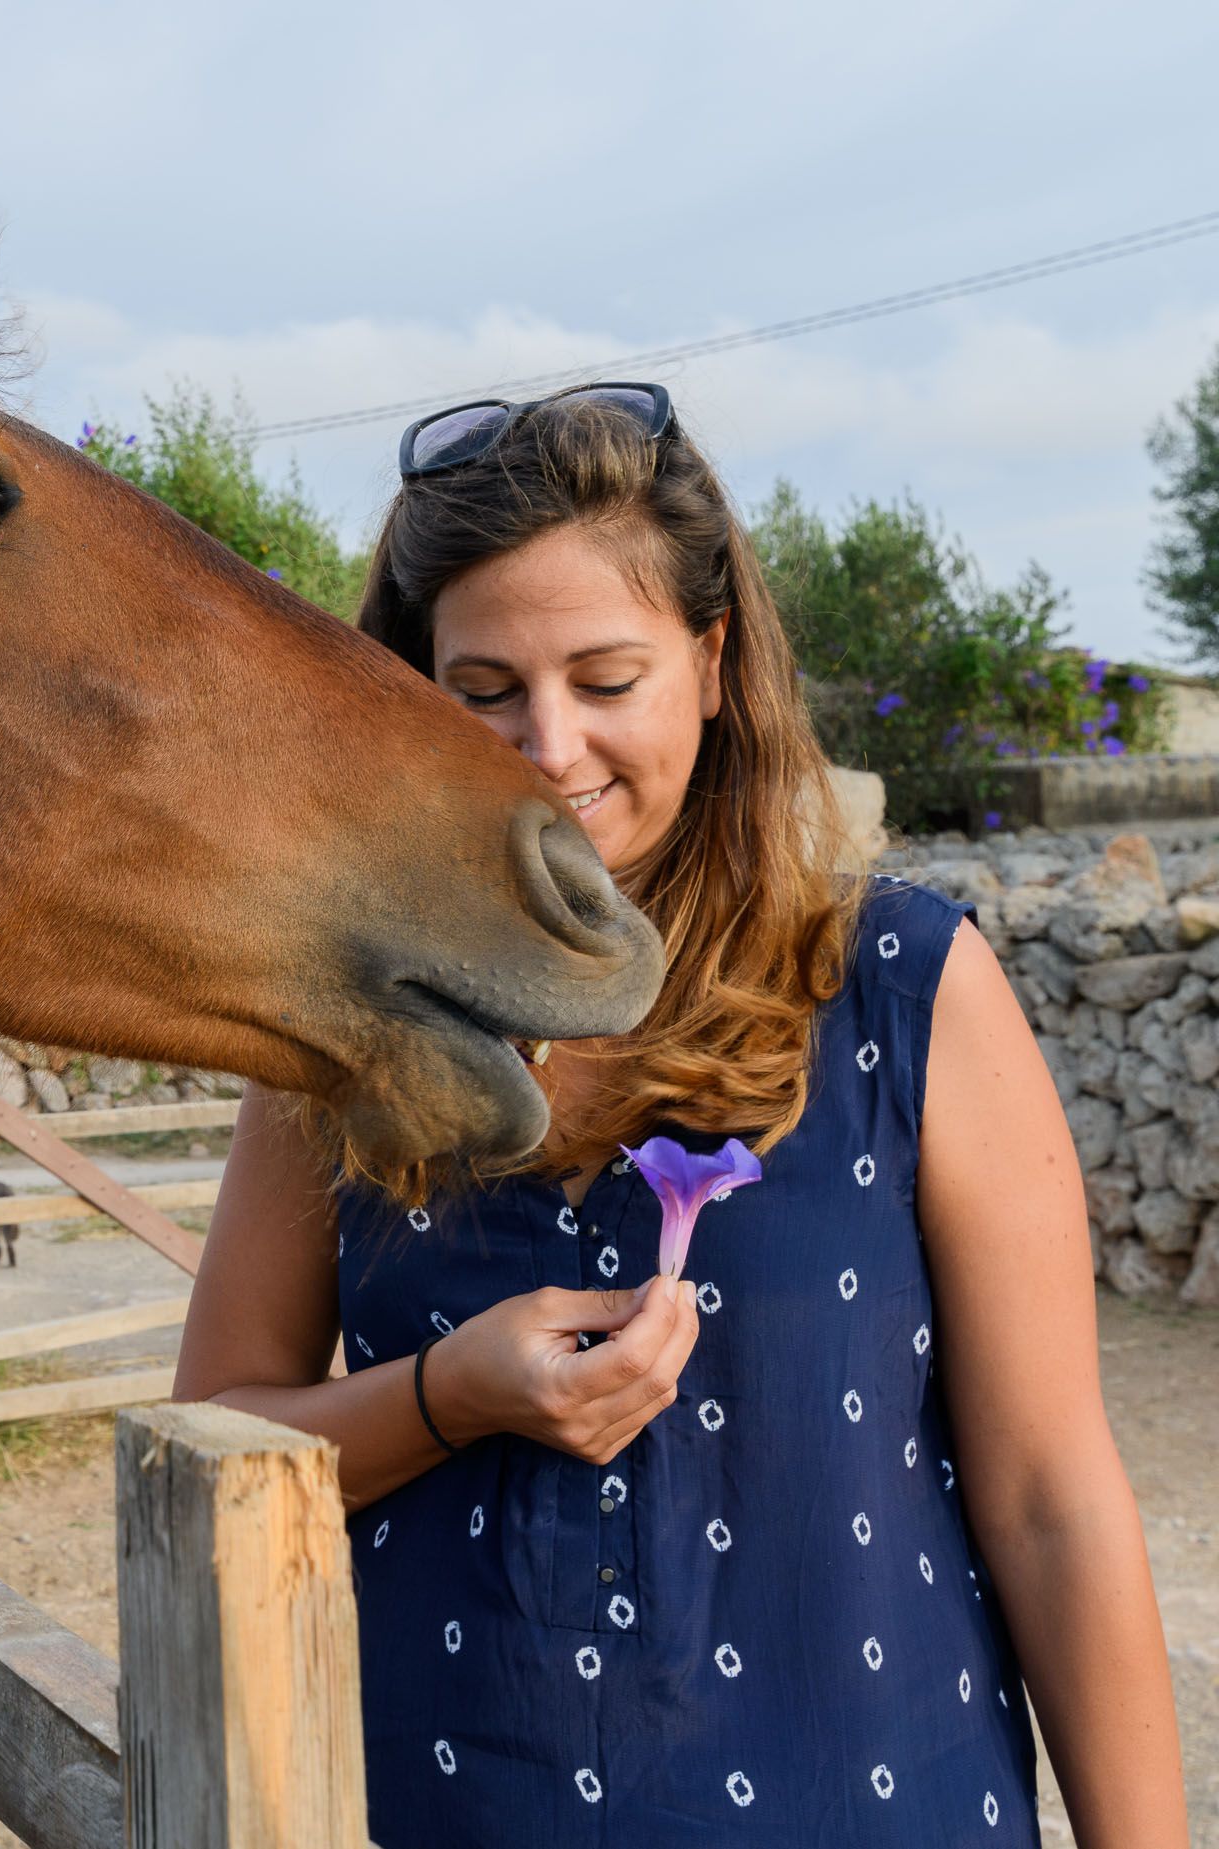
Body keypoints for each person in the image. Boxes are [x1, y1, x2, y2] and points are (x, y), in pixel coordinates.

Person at [174, 383, 1188, 1844]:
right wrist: (444, 1396)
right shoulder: (343, 1036)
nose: (546, 746)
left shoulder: (904, 992)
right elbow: (214, 1441)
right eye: (480, 688)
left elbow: (1050, 1500)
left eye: (604, 678)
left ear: (710, 664)